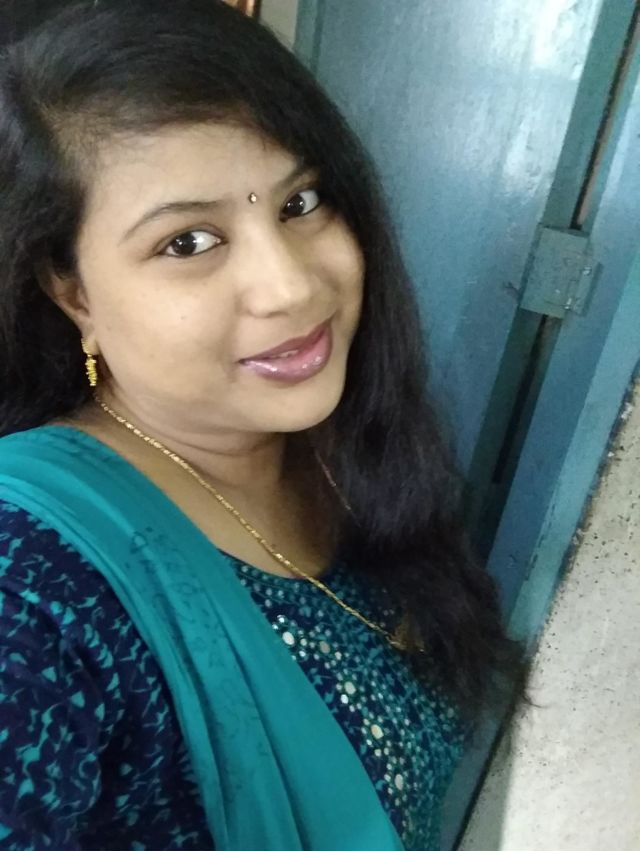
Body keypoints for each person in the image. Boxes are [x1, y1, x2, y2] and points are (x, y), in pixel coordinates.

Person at [0, 1, 532, 849]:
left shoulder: (342, 452)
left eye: (301, 201)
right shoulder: (32, 574)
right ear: (73, 293)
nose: (290, 285)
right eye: (188, 242)